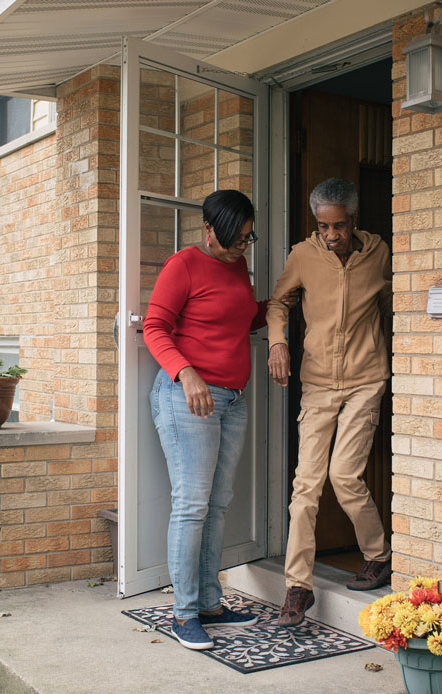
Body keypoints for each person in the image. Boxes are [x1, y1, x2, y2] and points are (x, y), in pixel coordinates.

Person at [143, 189, 267, 651]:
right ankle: (183, 613)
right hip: (187, 398)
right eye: (234, 239)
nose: (241, 247)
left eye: (248, 239)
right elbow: (155, 327)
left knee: (217, 503)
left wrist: (273, 307)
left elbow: (234, 321)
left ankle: (211, 604)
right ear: (209, 230)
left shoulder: (236, 264)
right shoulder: (184, 265)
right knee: (192, 504)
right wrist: (185, 371)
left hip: (232, 400)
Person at [267, 178, 393, 627]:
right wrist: (278, 343)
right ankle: (297, 587)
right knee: (306, 487)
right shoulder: (303, 255)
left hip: (365, 379)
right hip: (318, 382)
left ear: (353, 220)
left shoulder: (379, 254)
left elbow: (391, 303)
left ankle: (377, 556)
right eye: (324, 227)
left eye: (338, 226)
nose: (332, 235)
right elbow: (279, 303)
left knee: (344, 475)